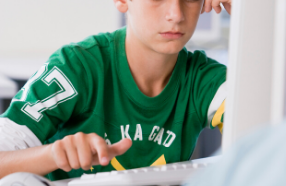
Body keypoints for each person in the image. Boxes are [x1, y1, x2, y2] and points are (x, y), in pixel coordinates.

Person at [0, 0, 231, 181]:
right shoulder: (76, 66)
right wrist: (53, 154)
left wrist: (246, 14)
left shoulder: (205, 80)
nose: (176, 14)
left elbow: (264, 143)